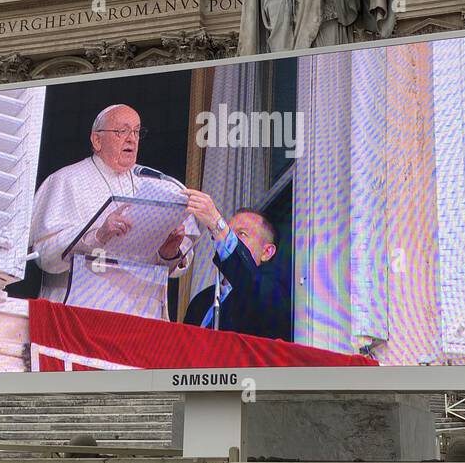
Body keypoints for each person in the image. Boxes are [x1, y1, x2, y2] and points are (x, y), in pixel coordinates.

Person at [27, 104, 198, 320]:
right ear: (96, 140)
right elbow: (44, 255)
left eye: (136, 131)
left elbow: (179, 266)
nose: (132, 139)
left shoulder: (160, 186)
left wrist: (169, 252)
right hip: (79, 315)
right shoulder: (65, 180)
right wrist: (97, 236)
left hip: (141, 319)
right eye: (122, 131)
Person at [180, 196, 291, 342]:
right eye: (229, 232)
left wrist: (216, 223)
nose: (229, 237)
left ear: (267, 252)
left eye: (241, 234)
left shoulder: (273, 291)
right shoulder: (201, 300)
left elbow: (250, 281)